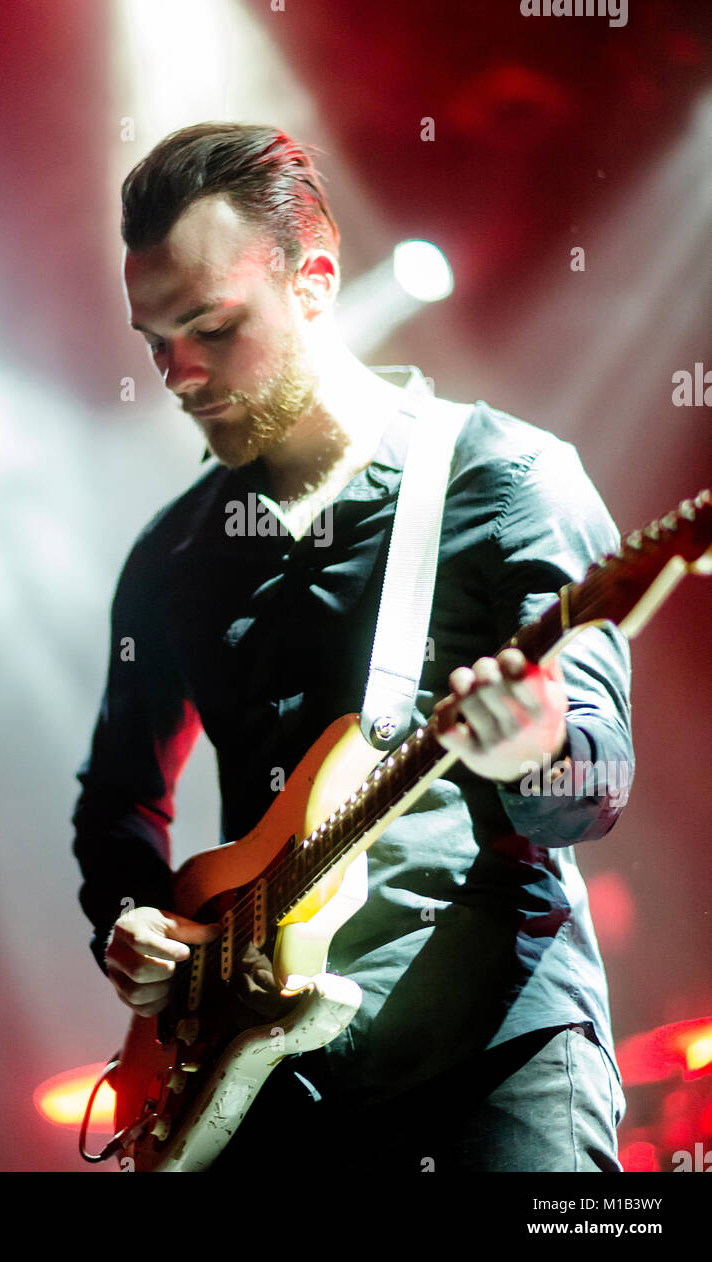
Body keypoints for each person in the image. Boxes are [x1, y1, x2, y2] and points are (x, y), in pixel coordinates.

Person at [72, 122, 633, 1174]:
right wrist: (133, 921)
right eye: (154, 341)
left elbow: (597, 783)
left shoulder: (504, 479)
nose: (178, 374)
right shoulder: (171, 553)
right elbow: (116, 800)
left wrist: (531, 751)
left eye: (210, 325)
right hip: (259, 1089)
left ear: (316, 282)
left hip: (490, 1061)